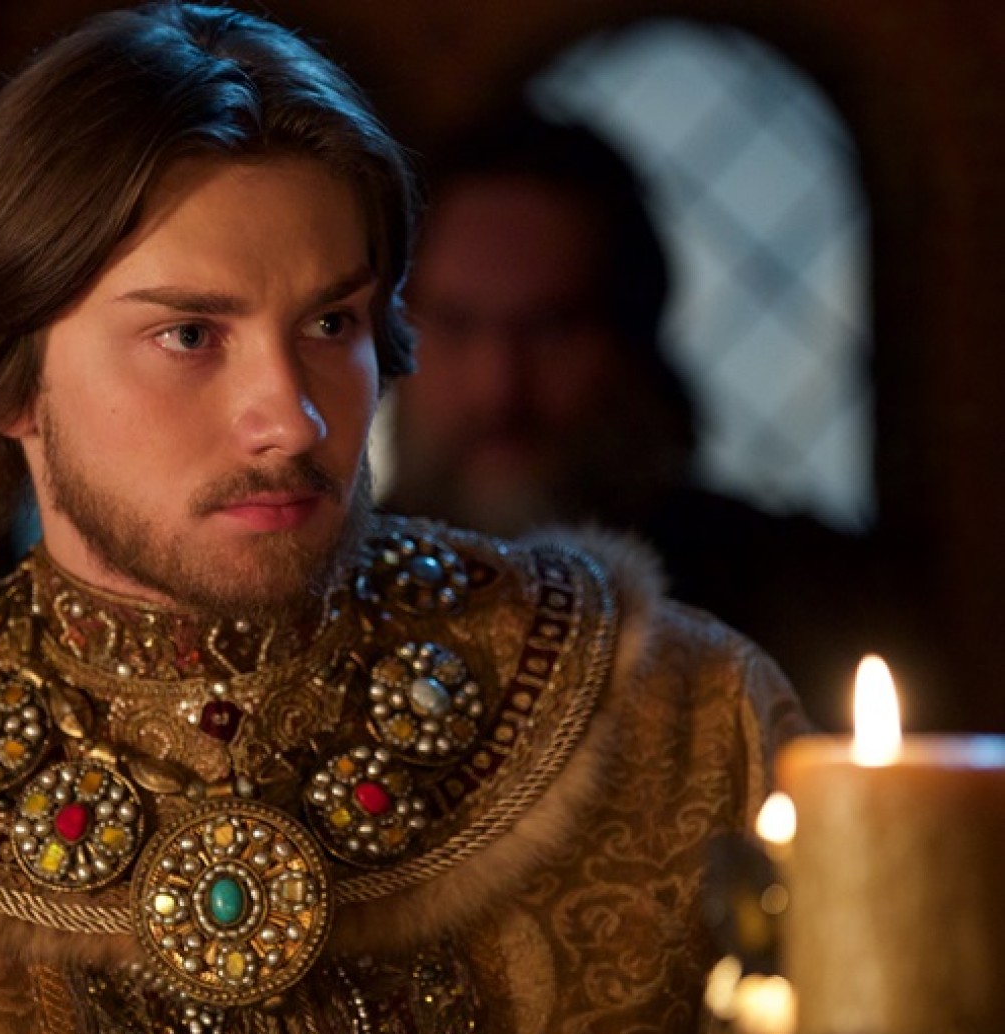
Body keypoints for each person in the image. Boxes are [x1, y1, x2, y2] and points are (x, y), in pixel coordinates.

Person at [0, 6, 803, 1034]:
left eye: (331, 324)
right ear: (9, 381)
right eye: (189, 335)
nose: (291, 420)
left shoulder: (677, 726)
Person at [386, 107, 935, 732]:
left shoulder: (804, 603)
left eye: (552, 328)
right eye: (455, 325)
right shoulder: (329, 597)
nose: (500, 388)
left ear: (631, 342)